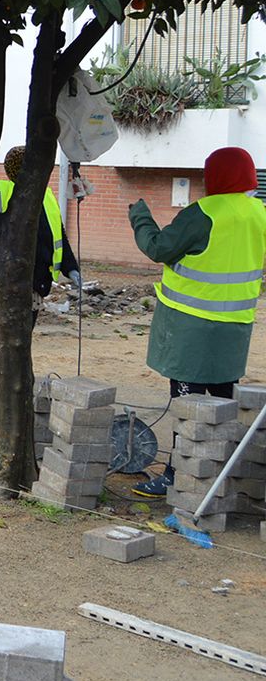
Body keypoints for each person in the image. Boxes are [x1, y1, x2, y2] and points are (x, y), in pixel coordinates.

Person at [127, 146, 266, 498]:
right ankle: (221, 476)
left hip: (191, 327)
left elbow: (159, 248)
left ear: (214, 176)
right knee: (224, 403)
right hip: (235, 325)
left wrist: (139, 215)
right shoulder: (259, 212)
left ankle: (178, 474)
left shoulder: (204, 213)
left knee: (188, 405)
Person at [0, 147, 83, 404]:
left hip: (31, 279)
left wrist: (70, 267)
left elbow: (58, 234)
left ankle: (13, 388)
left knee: (20, 338)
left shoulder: (47, 196)